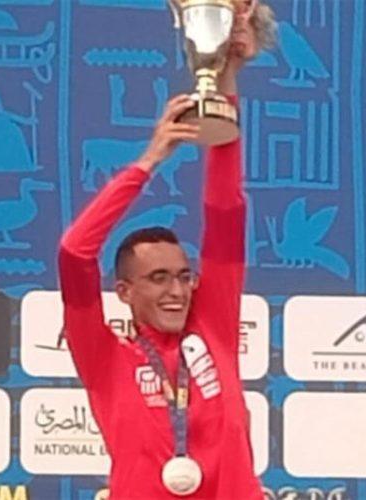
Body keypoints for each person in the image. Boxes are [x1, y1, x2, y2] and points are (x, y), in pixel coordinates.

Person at [58, 2, 276, 498]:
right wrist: (150, 160)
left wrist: (227, 77)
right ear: (124, 291)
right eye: (158, 279)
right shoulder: (103, 355)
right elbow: (75, 253)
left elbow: (226, 208)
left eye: (183, 275)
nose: (177, 290)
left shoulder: (213, 327)